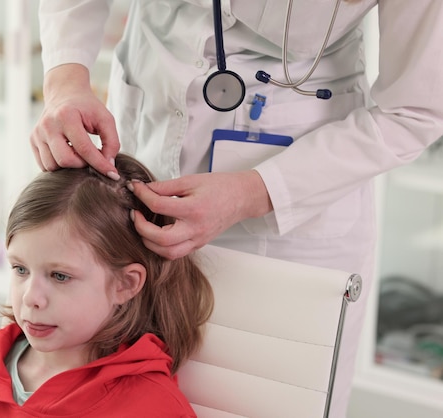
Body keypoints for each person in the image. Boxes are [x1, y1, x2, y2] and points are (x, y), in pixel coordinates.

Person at [30, 1, 443, 417]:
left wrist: (256, 191)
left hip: (294, 202)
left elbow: (413, 111)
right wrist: (65, 81)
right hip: (148, 129)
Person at [0, 153, 214, 417]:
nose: (31, 298)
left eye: (60, 276)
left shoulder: (151, 406)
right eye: (20, 269)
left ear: (125, 284)